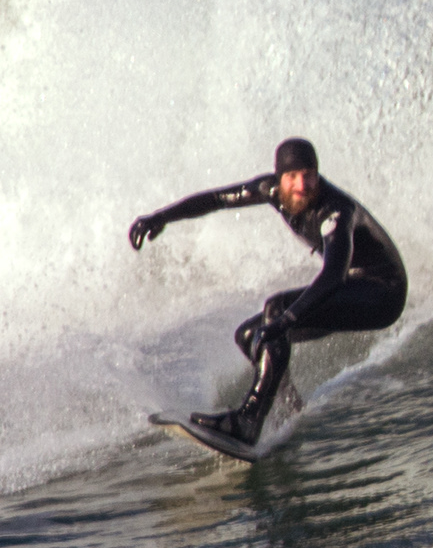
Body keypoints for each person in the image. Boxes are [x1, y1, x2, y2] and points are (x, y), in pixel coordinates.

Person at [128, 136, 408, 445]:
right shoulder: (270, 190)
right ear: (279, 178)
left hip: (381, 293)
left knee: (275, 313)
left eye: (309, 175)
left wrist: (285, 321)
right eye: (292, 176)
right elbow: (218, 199)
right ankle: (290, 408)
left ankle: (248, 420)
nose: (302, 184)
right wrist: (162, 217)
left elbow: (332, 278)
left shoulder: (336, 212)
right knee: (249, 336)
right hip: (351, 286)